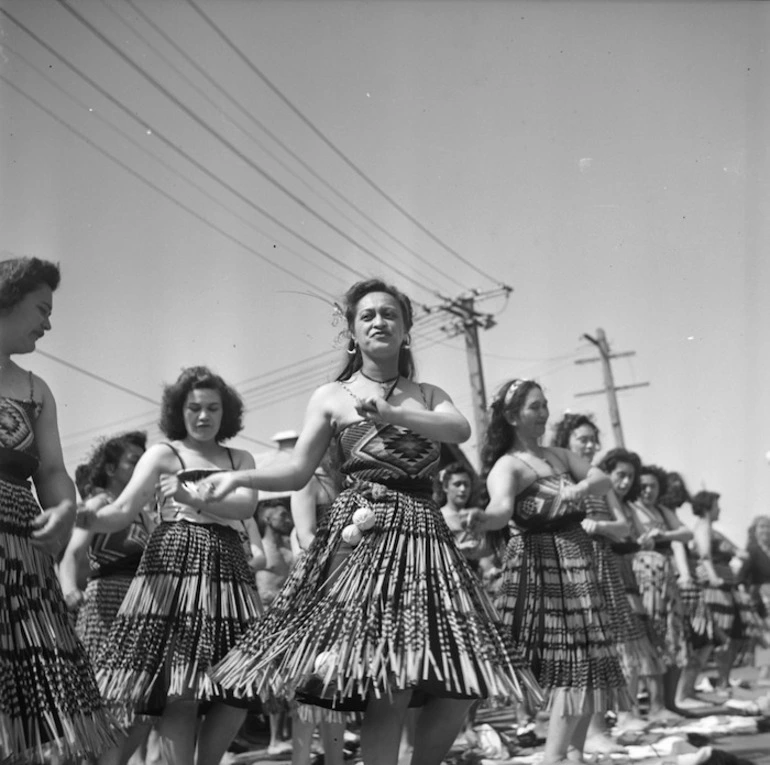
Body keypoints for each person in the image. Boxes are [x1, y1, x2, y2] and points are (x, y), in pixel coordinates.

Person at [203, 279, 540, 765]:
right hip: (365, 541)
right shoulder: (331, 396)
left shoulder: (427, 393)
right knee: (388, 680)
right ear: (353, 333)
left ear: (405, 331)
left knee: (464, 680)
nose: (379, 321)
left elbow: (459, 429)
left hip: (426, 542)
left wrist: (392, 412)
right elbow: (298, 470)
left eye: (389, 315)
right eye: (367, 316)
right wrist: (239, 480)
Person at [75, 366, 263, 765]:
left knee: (238, 685)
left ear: (225, 412)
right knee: (182, 688)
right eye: (194, 407)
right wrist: (86, 519)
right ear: (179, 411)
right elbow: (123, 509)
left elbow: (246, 505)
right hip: (173, 568)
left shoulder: (240, 456)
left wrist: (189, 495)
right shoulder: (163, 454)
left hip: (226, 571)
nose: (202, 416)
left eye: (212, 408)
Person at [467, 380, 630, 765]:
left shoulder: (558, 455)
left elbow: (602, 479)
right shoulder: (508, 465)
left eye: (545, 406)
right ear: (511, 416)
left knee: (592, 657)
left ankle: (572, 752)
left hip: (577, 558)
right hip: (542, 565)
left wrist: (583, 487)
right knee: (573, 662)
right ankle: (555, 757)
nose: (543, 413)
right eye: (534, 407)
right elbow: (502, 510)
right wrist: (482, 519)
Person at [0, 256, 119, 763]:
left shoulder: (34, 389)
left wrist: (66, 509)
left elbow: (50, 472)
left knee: (20, 702)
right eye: (41, 309)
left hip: (17, 550)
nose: (48, 323)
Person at [551, 414, 661, 752]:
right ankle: (583, 738)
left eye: (592, 440)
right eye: (582, 439)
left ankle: (596, 733)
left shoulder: (598, 479)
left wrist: (597, 527)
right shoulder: (557, 474)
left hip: (602, 563)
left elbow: (623, 526)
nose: (589, 445)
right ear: (567, 440)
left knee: (607, 650)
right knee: (584, 653)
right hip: (571, 564)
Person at [59, 431, 159, 765]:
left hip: (142, 612)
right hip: (106, 606)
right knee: (107, 702)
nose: (143, 467)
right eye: (134, 461)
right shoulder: (97, 504)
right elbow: (73, 553)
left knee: (144, 708)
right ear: (112, 468)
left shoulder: (146, 514)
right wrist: (70, 589)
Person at [289, 450, 348, 765]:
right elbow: (305, 536)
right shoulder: (307, 480)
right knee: (310, 681)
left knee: (336, 682)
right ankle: (300, 759)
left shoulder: (352, 480)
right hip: (320, 588)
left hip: (350, 590)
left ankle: (335, 760)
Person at [629, 464, 692, 721]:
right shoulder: (631, 508)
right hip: (644, 576)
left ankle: (669, 702)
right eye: (643, 486)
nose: (647, 490)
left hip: (666, 577)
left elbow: (686, 533)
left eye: (653, 486)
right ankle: (655, 705)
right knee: (654, 636)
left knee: (674, 636)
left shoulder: (662, 511)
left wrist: (664, 533)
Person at [744, 516, 770, 685]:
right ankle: (764, 672)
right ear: (755, 530)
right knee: (765, 634)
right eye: (761, 527)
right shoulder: (752, 551)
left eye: (767, 527)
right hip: (760, 596)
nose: (765, 530)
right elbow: (742, 576)